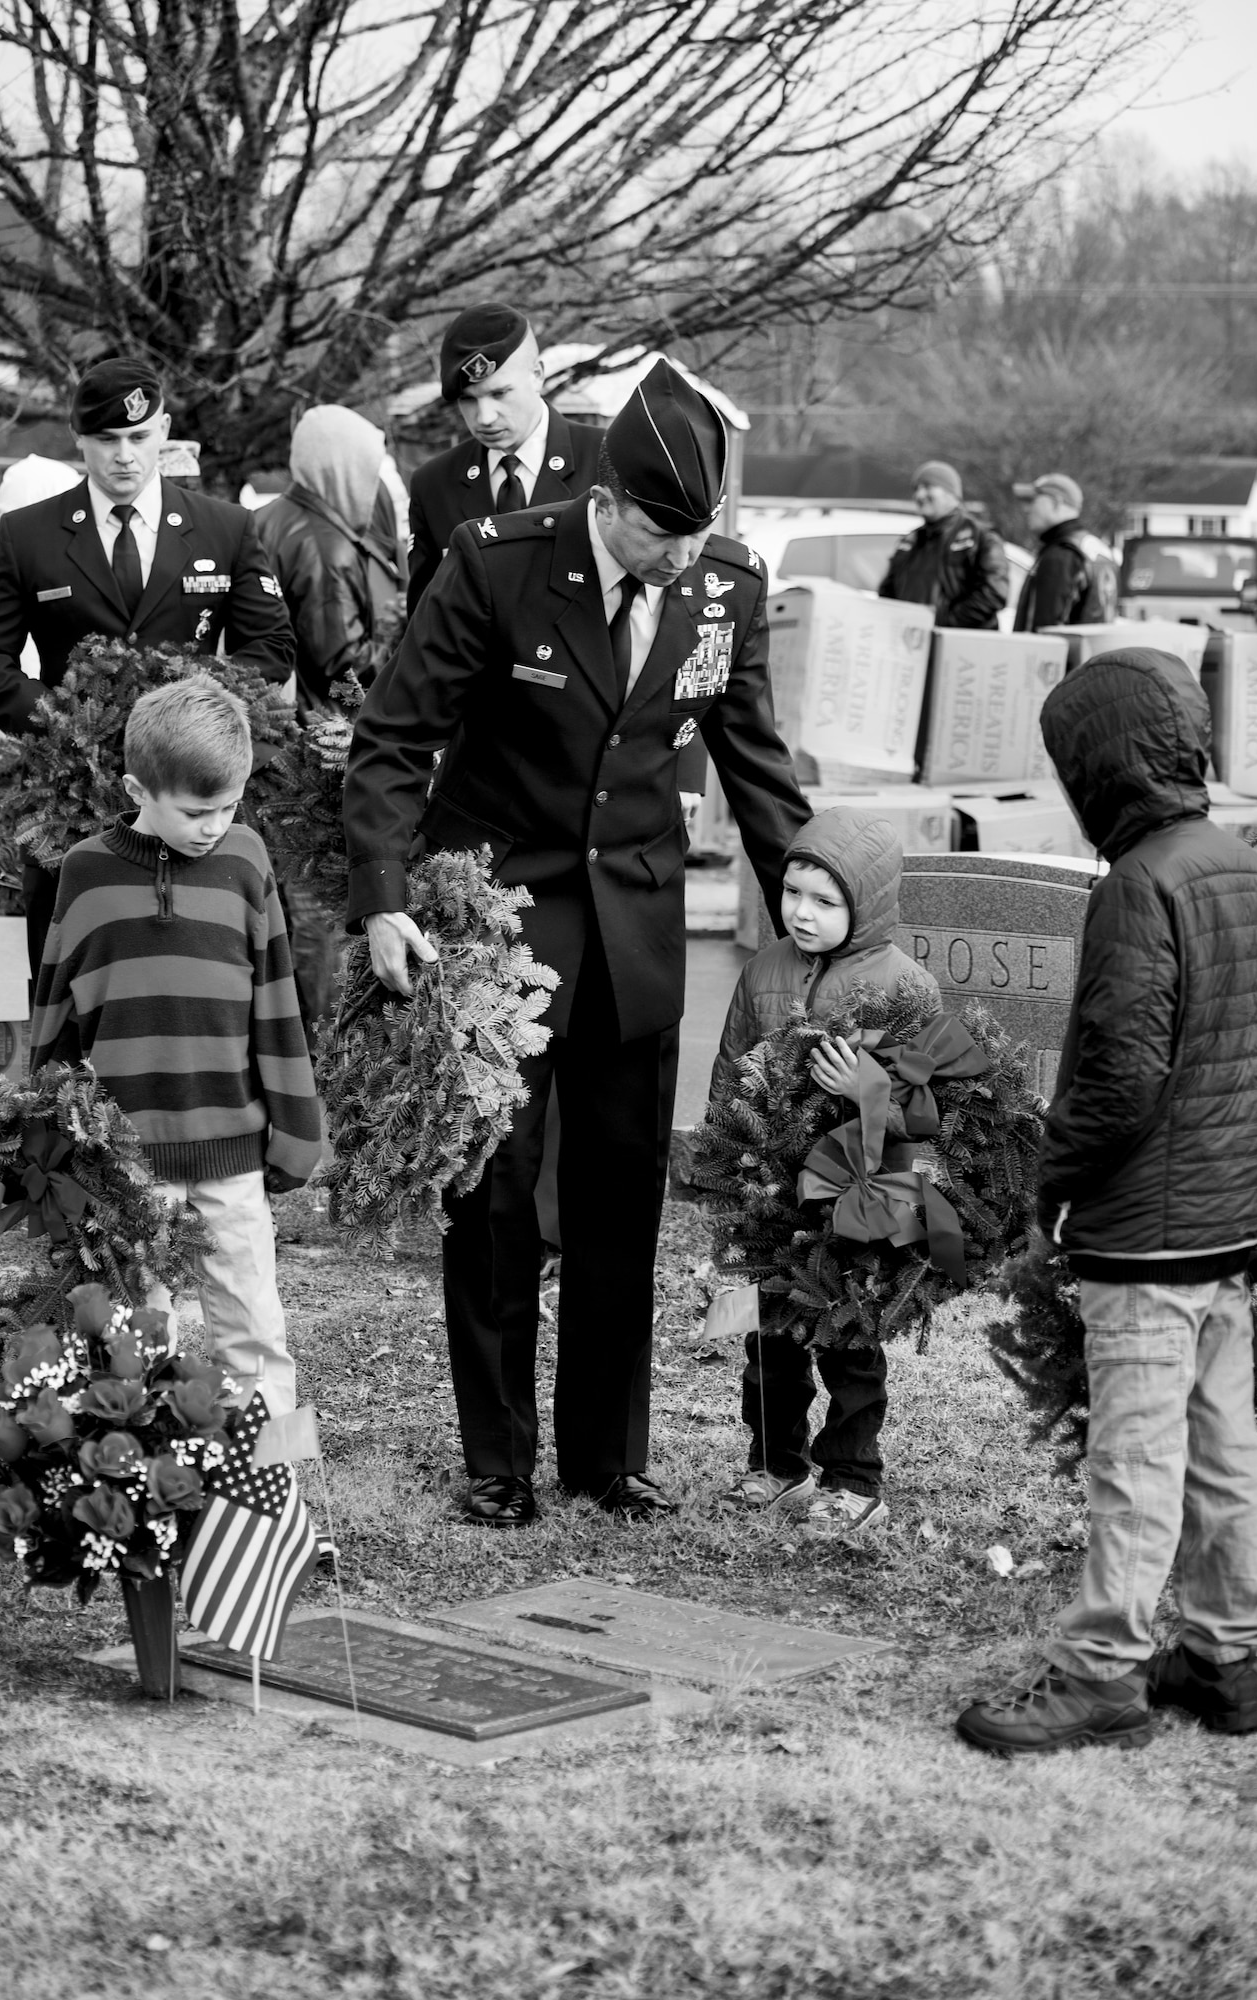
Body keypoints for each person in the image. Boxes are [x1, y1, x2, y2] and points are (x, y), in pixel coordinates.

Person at [344, 357, 810, 1525]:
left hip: (638, 931)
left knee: (620, 1202)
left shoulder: (723, 588)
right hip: (501, 926)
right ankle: (498, 1459)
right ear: (607, 506)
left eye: (700, 534)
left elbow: (756, 767)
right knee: (497, 1204)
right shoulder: (497, 565)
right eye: (662, 534)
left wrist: (823, 908)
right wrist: (385, 897)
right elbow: (396, 739)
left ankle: (606, 1453)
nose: (682, 558)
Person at [957, 646, 1257, 1755]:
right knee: (1225, 1443)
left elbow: (1122, 1074)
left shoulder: (1142, 883)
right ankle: (1229, 1656)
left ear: (1101, 767)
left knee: (1135, 1457)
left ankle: (1101, 1673)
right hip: (1231, 1220)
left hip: (1148, 1230)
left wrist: (1052, 1177)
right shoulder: (1233, 856)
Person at [29, 676, 323, 1417]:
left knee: (252, 1324)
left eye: (228, 807)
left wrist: (296, 1130)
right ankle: (144, 1491)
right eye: (197, 811)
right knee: (131, 1330)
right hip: (126, 1163)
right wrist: (46, 1146)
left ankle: (275, 1492)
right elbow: (55, 1015)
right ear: (137, 787)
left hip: (232, 1149)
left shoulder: (246, 862)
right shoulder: (84, 873)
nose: (213, 826)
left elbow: (277, 1004)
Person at [0, 356, 296, 973]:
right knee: (74, 978)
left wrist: (197, 716)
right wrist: (64, 724)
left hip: (191, 792)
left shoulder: (225, 528)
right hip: (72, 798)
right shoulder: (30, 534)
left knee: (201, 971)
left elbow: (270, 648)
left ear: (164, 430)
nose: (125, 456)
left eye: (139, 437)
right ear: (79, 439)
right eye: (106, 440)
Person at [709, 808, 941, 1534]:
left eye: (825, 901)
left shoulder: (904, 988)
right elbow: (727, 1077)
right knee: (768, 1341)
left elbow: (931, 1108)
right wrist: (720, 1181)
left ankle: (851, 1474)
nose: (801, 913)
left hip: (857, 1197)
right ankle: (774, 1463)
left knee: (848, 1343)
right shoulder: (763, 970)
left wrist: (866, 1091)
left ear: (864, 904)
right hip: (769, 1195)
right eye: (791, 894)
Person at [405, 302, 604, 619]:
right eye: (468, 400)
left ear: (537, 375)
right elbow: (423, 619)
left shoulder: (605, 460)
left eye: (499, 394)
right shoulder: (434, 484)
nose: (484, 418)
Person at [255, 405, 405, 712]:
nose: (373, 486)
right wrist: (405, 644)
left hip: (272, 712)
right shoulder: (327, 548)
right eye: (368, 471)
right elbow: (343, 669)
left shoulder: (266, 517)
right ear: (344, 471)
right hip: (317, 728)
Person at [877, 461, 1009, 629]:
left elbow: (994, 593)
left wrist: (940, 625)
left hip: (959, 649)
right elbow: (887, 594)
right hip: (912, 646)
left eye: (927, 487)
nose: (919, 495)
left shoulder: (981, 537)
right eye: (916, 489)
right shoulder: (910, 541)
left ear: (951, 493)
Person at [1011, 472, 1118, 631]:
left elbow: (1046, 634)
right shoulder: (1098, 550)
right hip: (1094, 653)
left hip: (1065, 656)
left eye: (1032, 501)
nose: (1026, 509)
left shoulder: (1061, 554)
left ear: (1056, 502)